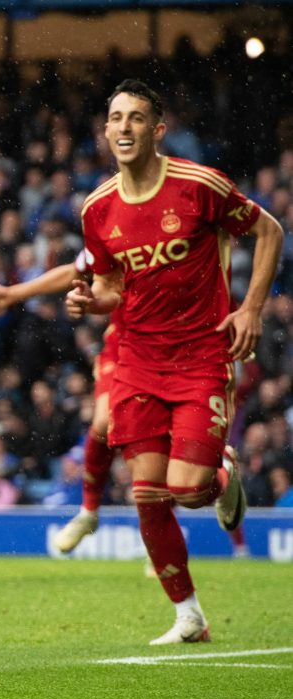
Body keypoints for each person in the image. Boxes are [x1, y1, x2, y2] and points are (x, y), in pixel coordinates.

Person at [65, 79, 282, 645]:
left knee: (187, 490)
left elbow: (268, 230)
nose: (125, 128)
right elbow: (112, 286)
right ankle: (189, 615)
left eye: (137, 118)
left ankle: (223, 474)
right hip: (137, 360)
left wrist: (251, 309)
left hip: (202, 354)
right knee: (147, 494)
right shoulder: (97, 208)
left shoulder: (197, 186)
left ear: (157, 130)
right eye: (116, 118)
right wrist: (91, 301)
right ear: (106, 130)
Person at [0, 253, 250, 555]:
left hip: (187, 349)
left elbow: (247, 241)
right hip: (126, 346)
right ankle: (89, 512)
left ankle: (218, 496)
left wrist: (248, 312)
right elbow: (78, 270)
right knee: (105, 423)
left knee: (177, 467)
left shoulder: (191, 227)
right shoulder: (115, 220)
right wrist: (14, 293)